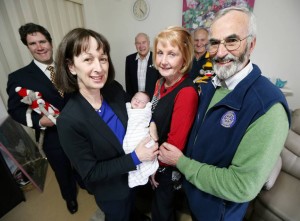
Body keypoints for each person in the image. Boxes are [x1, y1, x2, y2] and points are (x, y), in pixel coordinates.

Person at [158, 7, 291, 221]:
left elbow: (242, 186)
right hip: (195, 196)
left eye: (231, 41)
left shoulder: (268, 107)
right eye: (215, 42)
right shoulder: (213, 84)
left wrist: (181, 163)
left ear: (251, 44)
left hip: (218, 212)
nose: (220, 52)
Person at [54, 28, 158, 221]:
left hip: (134, 179)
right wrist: (136, 157)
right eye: (88, 59)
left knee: (133, 211)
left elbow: (139, 114)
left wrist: (152, 128)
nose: (99, 68)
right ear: (71, 67)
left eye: (102, 58)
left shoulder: (113, 90)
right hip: (112, 192)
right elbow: (91, 172)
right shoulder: (69, 120)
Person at [6, 23, 82, 214]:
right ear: (27, 46)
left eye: (42, 41)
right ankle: (70, 197)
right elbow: (14, 109)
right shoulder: (18, 77)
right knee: (62, 169)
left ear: (50, 42)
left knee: (83, 160)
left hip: (79, 129)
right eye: (33, 43)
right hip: (52, 135)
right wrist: (40, 122)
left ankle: (84, 182)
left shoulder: (68, 66)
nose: (39, 47)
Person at [150, 26, 199, 221]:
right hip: (153, 157)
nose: (163, 60)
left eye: (172, 54)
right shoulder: (160, 83)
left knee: (162, 211)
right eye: (160, 53)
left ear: (184, 59)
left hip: (165, 166)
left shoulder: (186, 93)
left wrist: (154, 167)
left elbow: (174, 146)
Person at [123, 91, 159, 188]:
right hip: (131, 138)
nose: (137, 102)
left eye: (142, 102)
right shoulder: (127, 108)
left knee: (149, 155)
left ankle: (151, 174)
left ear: (146, 105)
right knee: (130, 149)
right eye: (135, 98)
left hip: (143, 137)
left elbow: (149, 119)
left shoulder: (145, 112)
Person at [125, 32, 160, 99]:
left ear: (149, 43)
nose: (141, 46)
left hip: (153, 101)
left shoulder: (156, 58)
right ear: (135, 45)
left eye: (144, 42)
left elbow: (161, 83)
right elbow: (128, 84)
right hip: (136, 102)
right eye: (138, 43)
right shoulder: (129, 59)